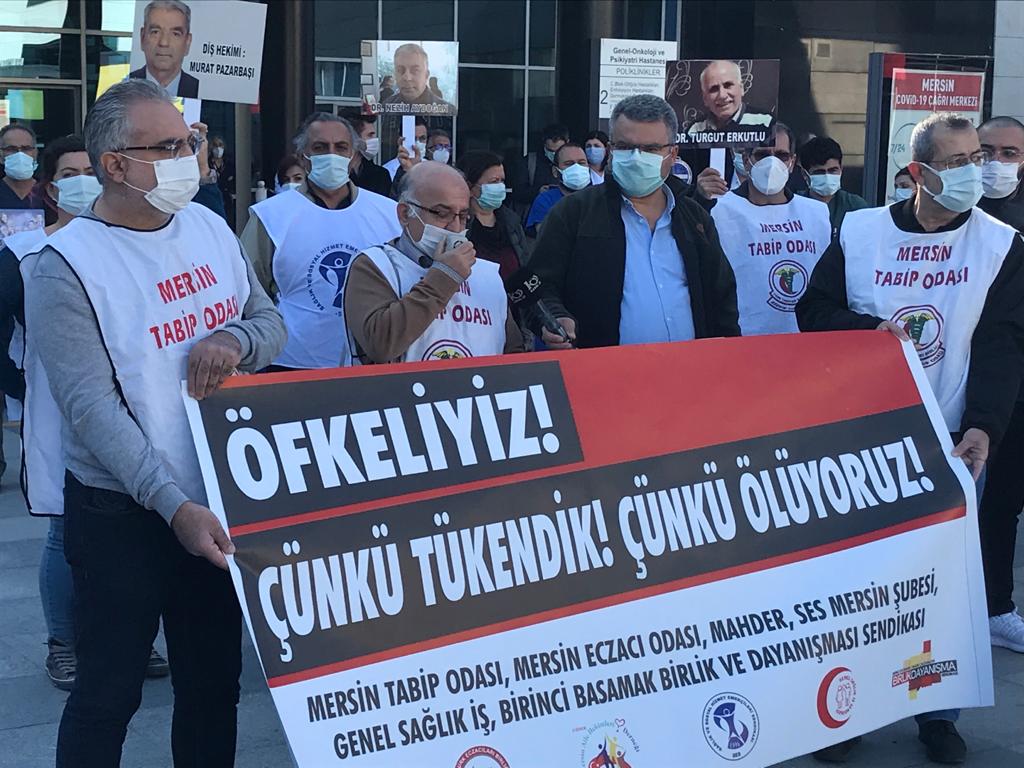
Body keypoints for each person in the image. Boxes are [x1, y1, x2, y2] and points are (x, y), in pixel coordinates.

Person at [22, 79, 284, 767]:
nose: (188, 159)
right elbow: (92, 411)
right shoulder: (65, 266)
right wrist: (174, 506)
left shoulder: (208, 227)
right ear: (115, 165)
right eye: (167, 147)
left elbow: (268, 321)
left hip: (217, 492)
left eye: (188, 142)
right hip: (122, 510)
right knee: (108, 695)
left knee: (212, 686)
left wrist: (234, 340)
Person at [797, 112, 1024, 766]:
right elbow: (813, 311)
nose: (975, 171)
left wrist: (984, 425)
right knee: (857, 580)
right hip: (865, 435)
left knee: (942, 586)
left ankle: (936, 712)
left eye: (977, 157)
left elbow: (1004, 343)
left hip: (950, 438)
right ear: (918, 172)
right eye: (957, 162)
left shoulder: (1001, 245)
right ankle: (847, 708)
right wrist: (862, 330)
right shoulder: (861, 231)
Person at [0, 135, 176, 691]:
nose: (80, 182)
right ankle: (63, 643)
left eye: (87, 172)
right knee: (63, 530)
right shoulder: (25, 255)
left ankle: (136, 636)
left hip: (130, 402)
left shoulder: (127, 245)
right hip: (59, 409)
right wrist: (24, 389)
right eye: (68, 174)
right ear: (52, 189)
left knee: (140, 526)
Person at [527, 94, 739, 349]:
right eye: (626, 147)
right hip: (602, 368)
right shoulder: (573, 214)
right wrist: (555, 317)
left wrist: (727, 356)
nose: (637, 158)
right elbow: (538, 286)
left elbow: (722, 298)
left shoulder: (695, 219)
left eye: (650, 149)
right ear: (611, 150)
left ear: (672, 153)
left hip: (689, 368)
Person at [241, 112, 401, 370]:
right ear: (303, 156)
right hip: (290, 362)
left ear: (353, 155)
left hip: (369, 364)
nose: (331, 155)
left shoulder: (388, 214)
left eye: (341, 147)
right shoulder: (271, 216)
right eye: (320, 147)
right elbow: (246, 289)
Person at [345, 161, 523, 363]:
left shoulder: (487, 274)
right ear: (405, 214)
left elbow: (512, 352)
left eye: (463, 216)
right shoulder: (376, 266)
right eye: (441, 213)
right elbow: (380, 344)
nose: (455, 227)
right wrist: (444, 278)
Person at [974, 115, 1024, 655]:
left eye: (1009, 153)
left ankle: (996, 608)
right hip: (962, 384)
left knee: (1005, 501)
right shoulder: (951, 215)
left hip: (1017, 382)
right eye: (986, 152)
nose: (995, 163)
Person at [710, 123, 831, 335]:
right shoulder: (719, 210)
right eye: (763, 155)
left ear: (792, 162)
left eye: (782, 156)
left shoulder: (817, 213)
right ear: (746, 161)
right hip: (744, 338)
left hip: (805, 337)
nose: (772, 163)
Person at [457, 149, 527, 281]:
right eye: (494, 181)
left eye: (502, 181)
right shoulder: (457, 224)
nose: (500, 186)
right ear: (469, 187)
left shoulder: (511, 222)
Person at [798, 136, 869, 236]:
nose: (827, 176)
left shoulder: (855, 206)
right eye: (819, 172)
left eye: (833, 170)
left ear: (841, 169)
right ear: (805, 174)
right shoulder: (795, 206)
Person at [129, 0, 199, 99]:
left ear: (187, 42)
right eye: (155, 32)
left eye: (175, 34)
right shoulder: (125, 84)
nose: (164, 42)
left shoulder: (199, 87)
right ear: (142, 37)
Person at [686, 60, 773, 135]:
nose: (722, 95)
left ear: (741, 89)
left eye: (728, 85)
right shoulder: (694, 130)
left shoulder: (766, 123)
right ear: (705, 99)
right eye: (714, 89)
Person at [525, 142, 590, 236]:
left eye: (581, 163)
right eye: (569, 164)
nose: (576, 167)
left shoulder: (599, 198)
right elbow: (547, 236)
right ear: (555, 171)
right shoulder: (545, 200)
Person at [511, 123, 569, 215]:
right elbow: (517, 192)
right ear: (544, 144)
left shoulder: (574, 163)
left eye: (558, 150)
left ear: (567, 143)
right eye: (550, 150)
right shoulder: (530, 162)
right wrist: (538, 191)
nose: (554, 154)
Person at [384, 43, 456, 114]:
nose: (407, 78)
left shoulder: (449, 111)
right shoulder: (385, 107)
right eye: (400, 70)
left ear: (426, 75)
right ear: (395, 74)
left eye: (415, 70)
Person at [0, 123, 44, 211]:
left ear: (35, 153)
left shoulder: (48, 194)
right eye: (11, 149)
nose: (20, 154)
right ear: (1, 156)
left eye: (26, 148)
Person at [348, 115, 392, 197]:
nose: (375, 139)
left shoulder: (381, 175)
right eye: (370, 135)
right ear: (355, 139)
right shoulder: (337, 174)